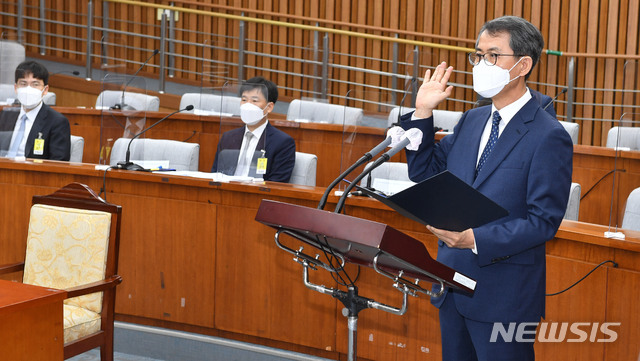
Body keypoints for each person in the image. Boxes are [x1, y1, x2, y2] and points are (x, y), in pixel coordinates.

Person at [400, 16, 573, 361]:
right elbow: (424, 173)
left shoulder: (548, 135)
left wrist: (474, 240)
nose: (481, 65)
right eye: (478, 55)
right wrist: (422, 112)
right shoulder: (472, 119)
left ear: (523, 65)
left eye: (493, 56)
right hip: (451, 283)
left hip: (503, 296)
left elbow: (543, 222)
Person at [211, 77, 295, 182]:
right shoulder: (228, 137)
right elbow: (216, 174)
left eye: (254, 101)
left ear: (269, 107)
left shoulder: (282, 143)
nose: (248, 105)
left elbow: (277, 184)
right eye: (244, 100)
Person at [0, 60, 70, 160]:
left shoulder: (57, 122)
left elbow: (58, 164)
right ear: (16, 88)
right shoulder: (5, 115)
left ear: (45, 90)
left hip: (32, 174)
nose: (28, 89)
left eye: (35, 84)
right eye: (23, 84)